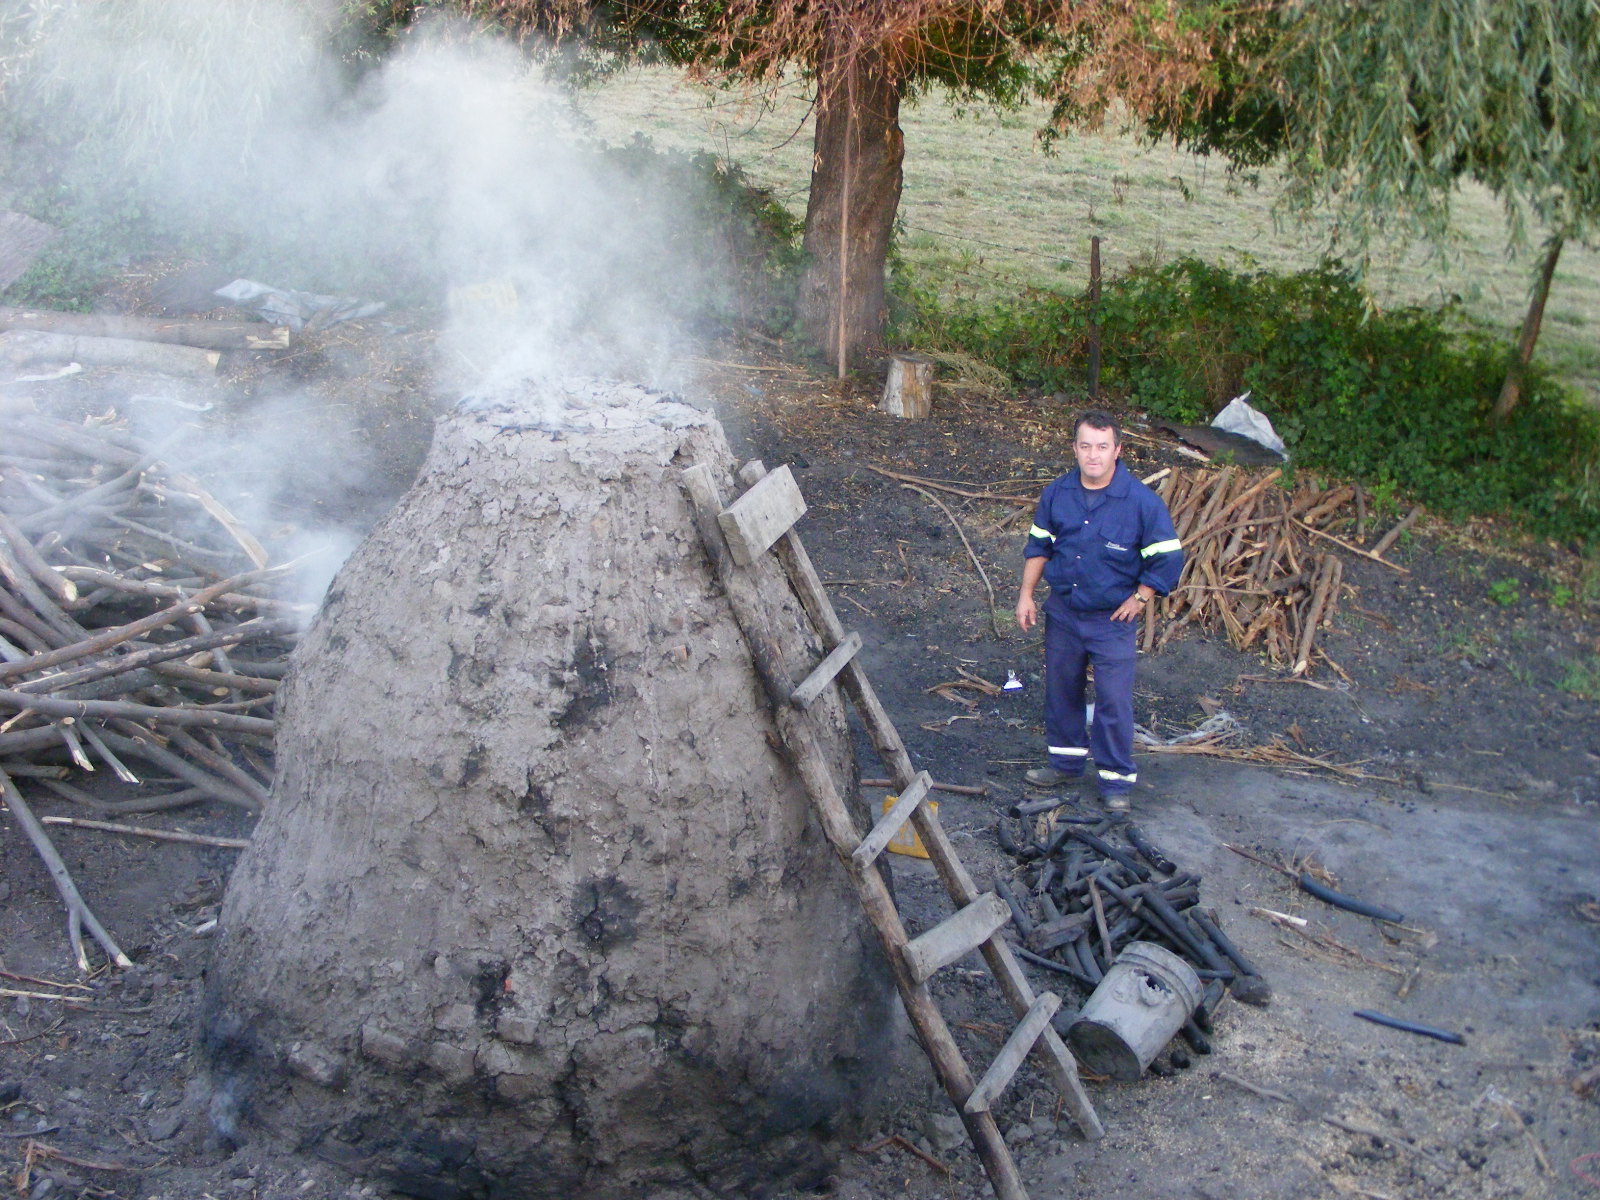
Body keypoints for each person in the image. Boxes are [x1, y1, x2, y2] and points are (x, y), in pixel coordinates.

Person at [1015, 410, 1183, 813]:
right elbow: (1039, 547)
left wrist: (1140, 598)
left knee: (1113, 700)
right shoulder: (1058, 493)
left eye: (1102, 447)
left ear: (1118, 450)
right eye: (1086, 446)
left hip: (1112, 621)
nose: (1093, 455)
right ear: (1075, 448)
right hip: (1064, 613)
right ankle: (1066, 763)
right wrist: (1026, 595)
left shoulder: (1141, 503)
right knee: (1062, 689)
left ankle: (1114, 781)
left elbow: (1168, 559)